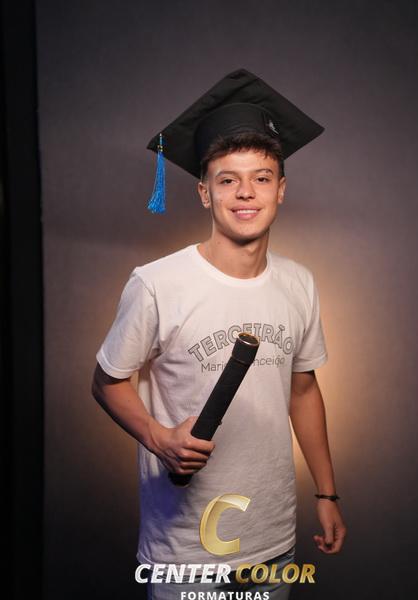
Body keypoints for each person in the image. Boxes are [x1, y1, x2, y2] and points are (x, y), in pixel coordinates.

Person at [91, 69, 347, 600]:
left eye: (262, 177)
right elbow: (106, 381)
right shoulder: (157, 283)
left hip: (272, 539)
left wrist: (326, 493)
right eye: (228, 180)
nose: (246, 192)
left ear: (281, 189)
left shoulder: (299, 283)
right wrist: (158, 438)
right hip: (186, 549)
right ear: (204, 193)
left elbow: (303, 391)